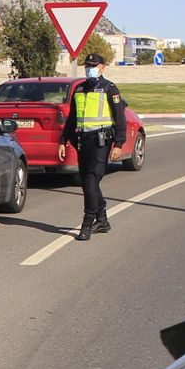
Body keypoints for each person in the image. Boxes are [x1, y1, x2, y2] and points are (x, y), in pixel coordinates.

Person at [57, 53, 127, 241]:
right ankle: (102, 218)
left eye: (94, 65)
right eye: (87, 66)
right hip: (82, 141)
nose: (90, 68)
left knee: (89, 180)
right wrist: (63, 141)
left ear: (103, 67)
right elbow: (72, 118)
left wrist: (118, 144)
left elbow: (120, 118)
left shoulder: (109, 89)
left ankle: (87, 223)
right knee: (90, 182)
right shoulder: (79, 89)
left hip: (101, 141)